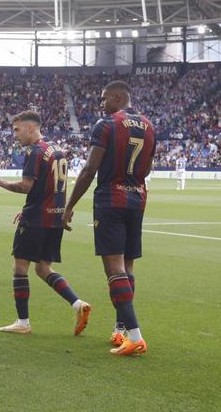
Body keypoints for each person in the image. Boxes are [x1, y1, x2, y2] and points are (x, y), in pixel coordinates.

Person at [62, 81, 156, 356]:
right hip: (137, 199)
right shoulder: (149, 126)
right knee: (127, 268)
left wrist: (69, 206)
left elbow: (90, 168)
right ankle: (120, 330)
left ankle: (135, 336)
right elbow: (147, 167)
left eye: (104, 99)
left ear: (117, 98)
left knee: (114, 270)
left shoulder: (106, 124)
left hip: (110, 200)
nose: (101, 104)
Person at [0, 111, 91, 336]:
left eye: (17, 130)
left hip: (36, 219)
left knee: (20, 267)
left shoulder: (35, 152)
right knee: (43, 268)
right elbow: (46, 187)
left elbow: (26, 186)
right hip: (54, 218)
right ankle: (77, 304)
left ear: (31, 128)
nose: (14, 135)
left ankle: (23, 322)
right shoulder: (58, 151)